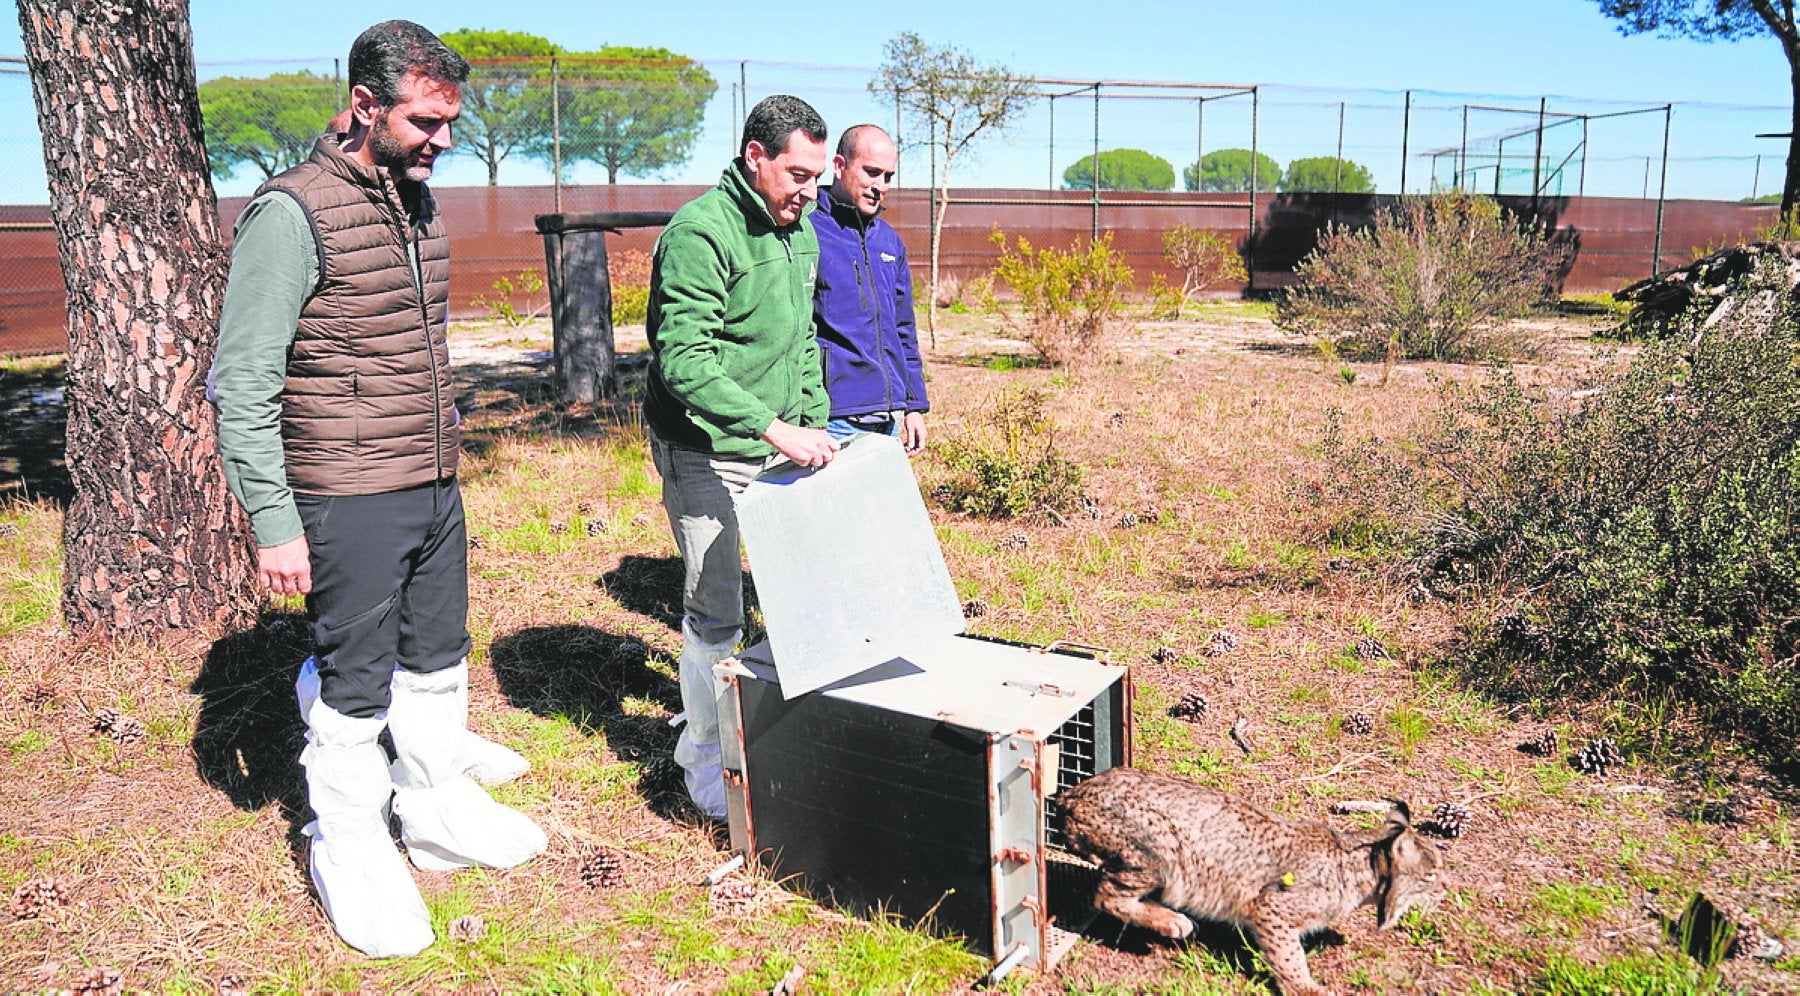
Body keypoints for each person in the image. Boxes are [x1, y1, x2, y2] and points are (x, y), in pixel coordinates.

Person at [211, 20, 544, 959]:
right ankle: (349, 843)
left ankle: (435, 808)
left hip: (432, 480)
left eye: (451, 121)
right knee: (355, 687)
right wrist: (274, 522)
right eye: (426, 121)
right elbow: (242, 379)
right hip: (345, 491)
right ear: (364, 105)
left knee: (438, 657)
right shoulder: (291, 213)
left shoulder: (415, 199)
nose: (444, 140)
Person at [643, 94, 839, 819]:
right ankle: (701, 761)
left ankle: (767, 726)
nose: (810, 190)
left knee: (793, 596)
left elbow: (799, 345)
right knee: (716, 608)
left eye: (817, 174)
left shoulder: (802, 228)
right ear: (755, 157)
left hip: (778, 437)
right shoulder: (701, 232)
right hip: (705, 444)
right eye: (796, 173)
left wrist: (813, 426)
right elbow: (684, 362)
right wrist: (772, 427)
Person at [811, 124, 929, 452]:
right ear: (839, 165)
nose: (880, 186)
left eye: (888, 176)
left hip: (885, 418)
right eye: (871, 172)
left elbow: (903, 330)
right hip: (829, 418)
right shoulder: (806, 231)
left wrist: (914, 405)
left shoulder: (889, 242)